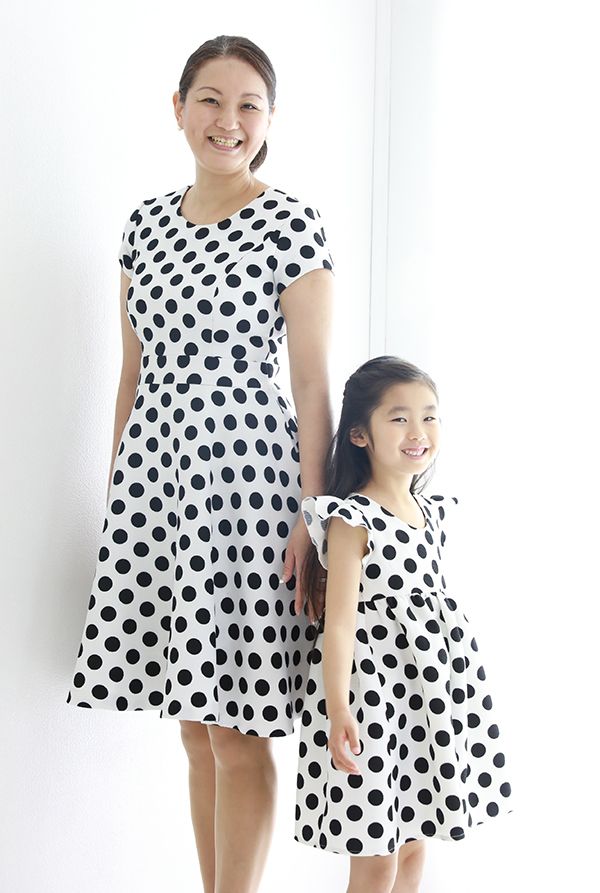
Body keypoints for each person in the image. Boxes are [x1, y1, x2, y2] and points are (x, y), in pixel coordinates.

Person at [67, 35, 335, 893]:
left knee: (238, 726)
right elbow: (132, 372)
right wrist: (120, 494)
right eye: (210, 100)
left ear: (270, 120)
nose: (228, 120)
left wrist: (314, 517)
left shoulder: (291, 222)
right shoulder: (143, 224)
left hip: (249, 491)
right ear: (178, 107)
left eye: (248, 104)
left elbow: (311, 385)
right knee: (191, 722)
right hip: (157, 486)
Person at [296, 356, 512, 893]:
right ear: (360, 435)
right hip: (372, 697)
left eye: (429, 417)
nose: (418, 432)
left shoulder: (431, 511)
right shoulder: (353, 517)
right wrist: (338, 708)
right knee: (377, 856)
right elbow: (339, 623)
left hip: (428, 695)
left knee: (415, 843)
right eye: (399, 419)